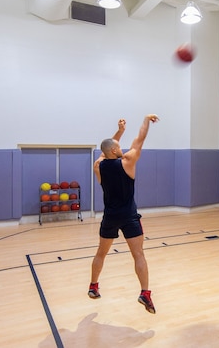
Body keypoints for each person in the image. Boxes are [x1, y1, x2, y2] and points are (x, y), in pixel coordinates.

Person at [88, 114, 160, 314]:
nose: (122, 148)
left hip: (110, 216)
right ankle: (145, 293)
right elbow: (140, 139)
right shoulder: (127, 161)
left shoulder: (98, 166)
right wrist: (146, 120)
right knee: (138, 254)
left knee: (101, 253)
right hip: (129, 216)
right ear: (114, 150)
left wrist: (119, 131)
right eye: (118, 147)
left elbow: (106, 150)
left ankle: (93, 286)